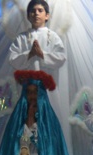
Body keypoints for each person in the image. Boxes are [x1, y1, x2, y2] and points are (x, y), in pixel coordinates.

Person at [0, 72, 74, 155]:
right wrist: (29, 119)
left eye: (35, 92)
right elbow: (19, 142)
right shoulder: (18, 118)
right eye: (29, 92)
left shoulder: (50, 120)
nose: (32, 96)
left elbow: (48, 146)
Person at [8, 0, 69, 146]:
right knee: (26, 119)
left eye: (40, 10)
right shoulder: (21, 38)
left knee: (48, 120)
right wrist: (29, 55)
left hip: (47, 89)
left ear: (47, 15)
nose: (36, 13)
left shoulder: (52, 37)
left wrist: (42, 55)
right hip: (27, 89)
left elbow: (61, 58)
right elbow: (12, 58)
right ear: (28, 16)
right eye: (33, 11)